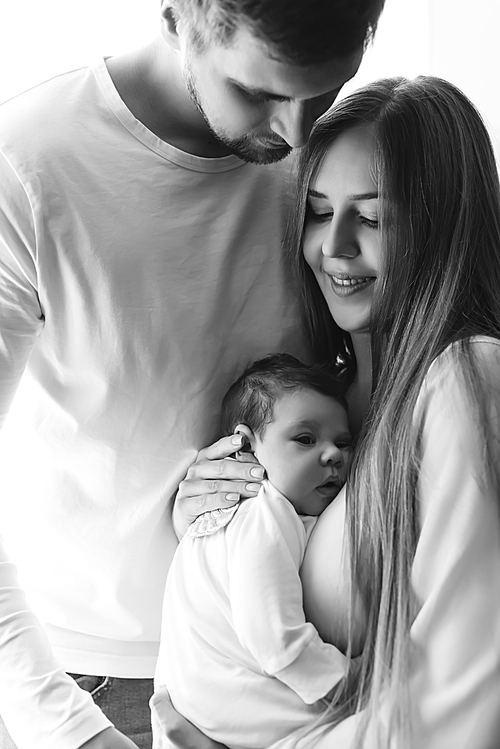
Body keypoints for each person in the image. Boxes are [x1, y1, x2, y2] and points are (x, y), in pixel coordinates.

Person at [0, 0, 386, 747]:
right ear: (182, 15)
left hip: (301, 682)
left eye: (327, 91)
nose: (297, 133)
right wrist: (66, 729)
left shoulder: (335, 169)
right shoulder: (27, 166)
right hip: (83, 684)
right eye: (260, 93)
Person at [151, 76, 500, 748]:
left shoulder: (466, 380)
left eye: (372, 218)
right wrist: (207, 516)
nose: (334, 246)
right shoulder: (318, 397)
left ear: (444, 225)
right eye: (317, 211)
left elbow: (462, 705)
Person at [154, 354, 352, 749]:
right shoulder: (264, 516)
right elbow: (274, 635)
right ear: (245, 446)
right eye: (306, 439)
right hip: (237, 704)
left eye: (343, 442)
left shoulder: (220, 517)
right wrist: (349, 682)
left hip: (195, 705)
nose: (333, 454)